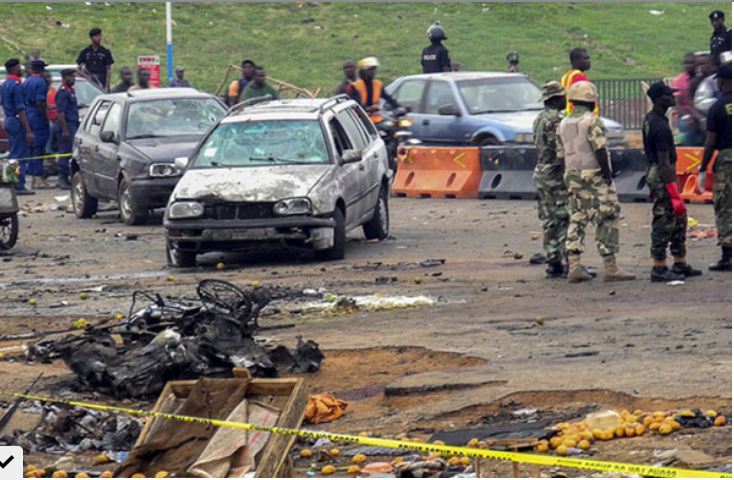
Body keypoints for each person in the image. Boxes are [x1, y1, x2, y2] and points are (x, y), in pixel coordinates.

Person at [556, 81, 635, 283]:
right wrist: (607, 175)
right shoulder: (592, 121)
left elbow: (560, 154)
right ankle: (611, 267)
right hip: (594, 174)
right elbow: (599, 149)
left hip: (572, 174)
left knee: (577, 216)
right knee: (607, 216)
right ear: (592, 101)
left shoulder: (563, 123)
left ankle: (574, 265)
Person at [642, 81, 702, 282]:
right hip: (663, 174)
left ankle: (679, 262)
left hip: (658, 172)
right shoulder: (660, 126)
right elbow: (665, 161)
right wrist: (674, 192)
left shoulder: (654, 119)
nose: (673, 98)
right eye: (668, 95)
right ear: (659, 99)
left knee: (679, 219)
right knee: (664, 219)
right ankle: (659, 266)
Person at [532, 81, 568, 278]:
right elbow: (560, 151)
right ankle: (569, 261)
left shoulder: (539, 119)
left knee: (548, 218)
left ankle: (553, 262)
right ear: (556, 98)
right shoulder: (557, 121)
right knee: (563, 216)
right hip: (555, 172)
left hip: (542, 171)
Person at [698, 63, 732, 271]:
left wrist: (703, 169)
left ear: (721, 82)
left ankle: (728, 255)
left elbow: (710, 141)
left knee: (725, 206)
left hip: (728, 158)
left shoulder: (718, 107)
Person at [1, 59, 34, 195]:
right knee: (19, 154)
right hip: (17, 121)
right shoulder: (17, 85)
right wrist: (28, 130)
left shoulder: (4, 84)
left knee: (13, 152)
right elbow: (21, 110)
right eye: (19, 67)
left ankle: (10, 182)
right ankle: (18, 185)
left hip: (8, 119)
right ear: (15, 69)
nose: (21, 70)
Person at [23, 59, 51, 190]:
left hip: (28, 114)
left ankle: (34, 177)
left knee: (32, 147)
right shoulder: (40, 82)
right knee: (39, 146)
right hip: (37, 116)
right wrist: (45, 117)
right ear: (42, 70)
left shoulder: (26, 81)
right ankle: (38, 177)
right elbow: (40, 102)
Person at [54, 69, 79, 190]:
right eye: (71, 77)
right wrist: (65, 130)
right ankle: (62, 178)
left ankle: (67, 178)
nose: (74, 79)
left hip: (72, 124)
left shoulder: (70, 90)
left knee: (70, 152)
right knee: (65, 152)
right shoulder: (63, 92)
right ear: (65, 78)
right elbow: (60, 113)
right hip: (66, 126)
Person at [671, 52, 703, 146]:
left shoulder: (702, 79)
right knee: (687, 127)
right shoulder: (678, 81)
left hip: (702, 115)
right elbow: (676, 103)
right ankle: (689, 153)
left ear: (696, 64)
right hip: (685, 116)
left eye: (691, 63)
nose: (688, 65)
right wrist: (686, 116)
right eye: (685, 63)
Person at [560, 48, 597, 115]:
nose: (589, 61)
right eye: (586, 58)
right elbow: (585, 98)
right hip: (580, 114)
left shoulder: (566, 76)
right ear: (576, 61)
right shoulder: (579, 76)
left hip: (568, 114)